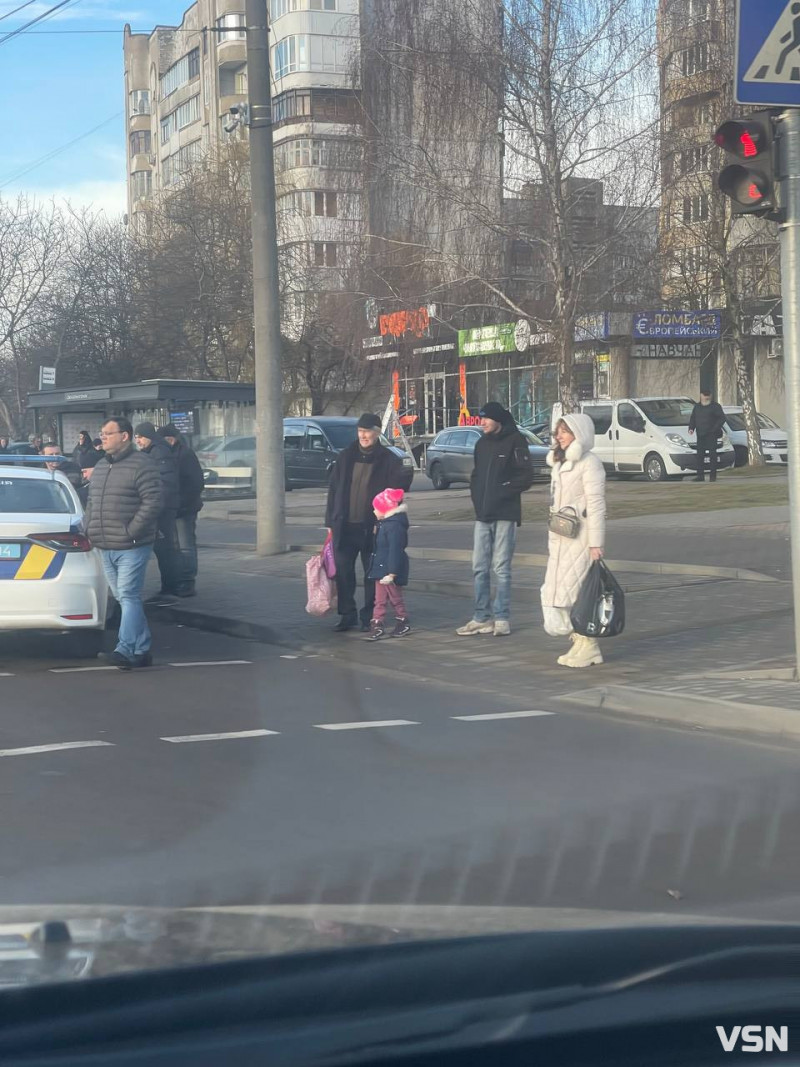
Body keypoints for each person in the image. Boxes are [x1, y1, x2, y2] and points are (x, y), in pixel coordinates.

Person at [84, 417, 163, 669]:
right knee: (123, 597)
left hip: (132, 545)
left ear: (125, 436)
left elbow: (153, 501)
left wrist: (132, 531)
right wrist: (89, 527)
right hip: (104, 545)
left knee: (128, 595)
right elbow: (92, 502)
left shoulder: (142, 464)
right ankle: (141, 650)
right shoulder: (101, 465)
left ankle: (125, 649)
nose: (103, 437)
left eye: (108, 433)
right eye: (102, 433)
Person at [325, 413, 413, 633]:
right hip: (345, 527)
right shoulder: (345, 456)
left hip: (373, 528)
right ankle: (347, 615)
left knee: (372, 575)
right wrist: (330, 521)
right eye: (360, 431)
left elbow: (395, 494)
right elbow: (333, 490)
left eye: (368, 431)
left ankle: (369, 617)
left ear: (377, 432)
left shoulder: (388, 460)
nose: (363, 436)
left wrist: (387, 519)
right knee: (343, 572)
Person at [456, 402, 534, 638]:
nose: (482, 423)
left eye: (485, 419)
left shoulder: (516, 441)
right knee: (479, 567)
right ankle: (481, 617)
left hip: (505, 514)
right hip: (483, 515)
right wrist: (478, 499)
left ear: (497, 419)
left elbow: (526, 476)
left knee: (501, 567)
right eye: (481, 419)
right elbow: (477, 476)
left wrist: (503, 491)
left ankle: (501, 617)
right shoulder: (481, 444)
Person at [541, 413, 606, 669]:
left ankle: (589, 645)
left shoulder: (589, 463)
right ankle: (580, 641)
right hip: (560, 537)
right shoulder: (560, 463)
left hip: (581, 539)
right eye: (558, 431)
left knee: (579, 593)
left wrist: (596, 543)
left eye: (564, 431)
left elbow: (597, 505)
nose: (559, 436)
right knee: (556, 591)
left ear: (578, 434)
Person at [133, 421, 181, 599]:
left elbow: (163, 483)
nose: (137, 441)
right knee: (163, 548)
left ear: (148, 437)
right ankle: (170, 586)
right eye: (136, 437)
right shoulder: (152, 451)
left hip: (162, 509)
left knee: (165, 549)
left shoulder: (159, 452)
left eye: (139, 437)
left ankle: (170, 587)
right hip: (161, 508)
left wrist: (154, 507)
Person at [157, 423, 204, 597]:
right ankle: (177, 582)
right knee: (174, 548)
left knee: (186, 547)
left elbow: (196, 483)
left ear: (170, 439)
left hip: (184, 510)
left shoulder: (184, 454)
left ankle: (187, 582)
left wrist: (181, 504)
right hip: (171, 510)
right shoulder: (167, 454)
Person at [365, 487, 411, 641]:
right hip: (381, 569)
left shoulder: (394, 527)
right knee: (379, 599)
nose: (374, 512)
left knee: (395, 597)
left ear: (385, 509)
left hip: (389, 570)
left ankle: (402, 620)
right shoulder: (385, 525)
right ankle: (377, 623)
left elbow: (395, 550)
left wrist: (392, 572)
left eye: (376, 508)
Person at [688, 390, 726, 483]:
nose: (707, 397)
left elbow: (722, 418)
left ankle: (713, 477)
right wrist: (691, 428)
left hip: (711, 435)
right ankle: (700, 476)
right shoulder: (697, 407)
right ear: (701, 396)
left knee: (712, 456)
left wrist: (715, 428)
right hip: (700, 435)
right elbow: (693, 418)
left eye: (708, 395)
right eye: (705, 395)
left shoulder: (715, 407)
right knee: (700, 456)